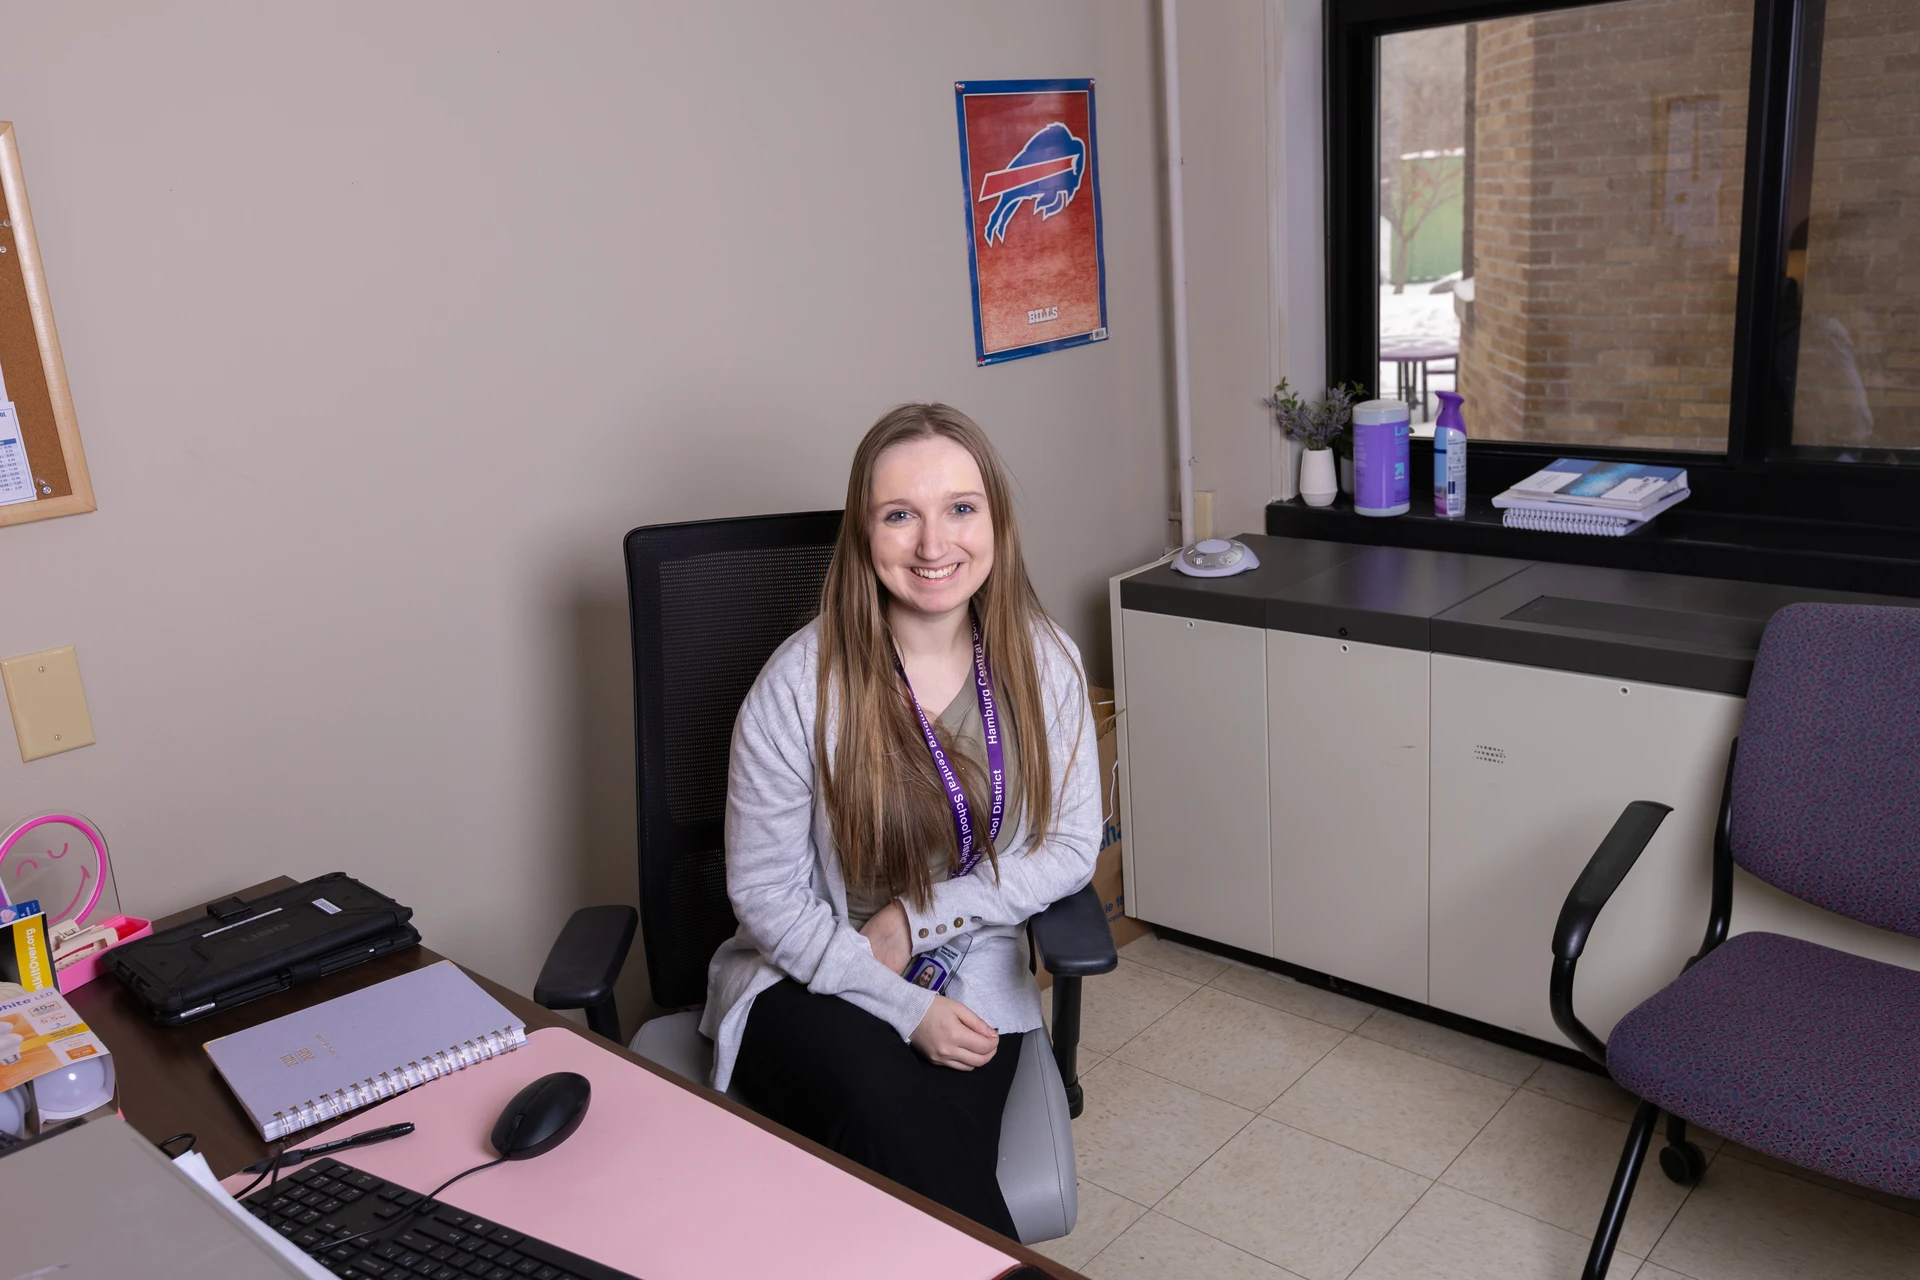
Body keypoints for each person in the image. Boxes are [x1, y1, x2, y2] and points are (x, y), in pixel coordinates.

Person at [700, 403, 1100, 1235]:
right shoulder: (797, 686)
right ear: (863, 531)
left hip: (967, 968)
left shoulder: (1045, 662)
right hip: (807, 973)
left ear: (996, 520)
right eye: (899, 516)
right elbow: (766, 896)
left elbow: (1069, 848)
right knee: (887, 1113)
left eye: (960, 508)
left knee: (915, 1160)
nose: (933, 544)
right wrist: (902, 1007)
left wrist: (920, 918)